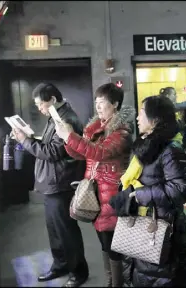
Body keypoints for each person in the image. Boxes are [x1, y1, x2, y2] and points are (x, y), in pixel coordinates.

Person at [109, 95, 186, 287]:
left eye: (141, 113)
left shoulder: (170, 150)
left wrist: (139, 195)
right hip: (145, 227)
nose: (137, 118)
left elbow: (181, 189)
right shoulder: (146, 147)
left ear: (155, 119)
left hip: (164, 234)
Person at [55, 83, 134, 287]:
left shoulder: (122, 132)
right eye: (96, 103)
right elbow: (81, 153)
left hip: (112, 193)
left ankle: (116, 283)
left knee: (113, 244)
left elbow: (99, 153)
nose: (98, 107)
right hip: (96, 191)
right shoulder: (96, 129)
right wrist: (67, 139)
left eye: (103, 103)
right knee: (104, 241)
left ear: (115, 104)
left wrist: (71, 137)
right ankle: (111, 281)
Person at [12, 82, 88, 287]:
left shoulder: (66, 119)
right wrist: (29, 138)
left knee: (66, 231)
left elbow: (53, 152)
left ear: (53, 100)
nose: (39, 109)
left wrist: (25, 141)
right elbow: (49, 146)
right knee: (55, 230)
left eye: (41, 104)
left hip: (61, 183)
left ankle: (79, 272)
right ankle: (61, 265)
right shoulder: (56, 115)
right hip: (52, 183)